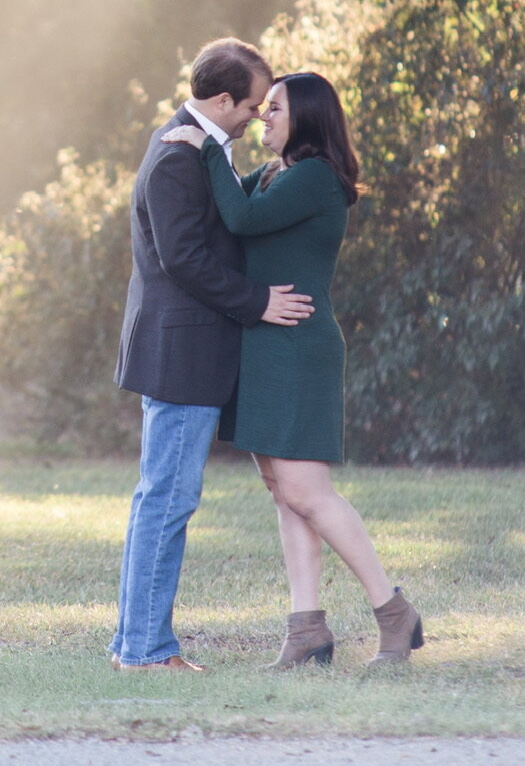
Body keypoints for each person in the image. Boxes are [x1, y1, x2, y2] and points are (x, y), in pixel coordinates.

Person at [162, 70, 423, 669]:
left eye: (273, 107)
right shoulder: (277, 174)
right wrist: (199, 152)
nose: (263, 117)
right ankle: (306, 630)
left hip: (299, 345)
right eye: (262, 107)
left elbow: (241, 221)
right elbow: (225, 205)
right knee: (284, 493)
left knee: (309, 492)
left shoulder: (314, 178)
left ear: (305, 116)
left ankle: (393, 612)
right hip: (265, 343)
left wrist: (205, 147)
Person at [110, 37, 314, 673]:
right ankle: (145, 650)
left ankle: (132, 645)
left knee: (161, 499)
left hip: (188, 350)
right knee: (167, 500)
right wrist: (257, 302)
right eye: (253, 107)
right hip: (182, 353)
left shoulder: (198, 145)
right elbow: (185, 260)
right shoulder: (178, 157)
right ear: (222, 101)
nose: (258, 117)